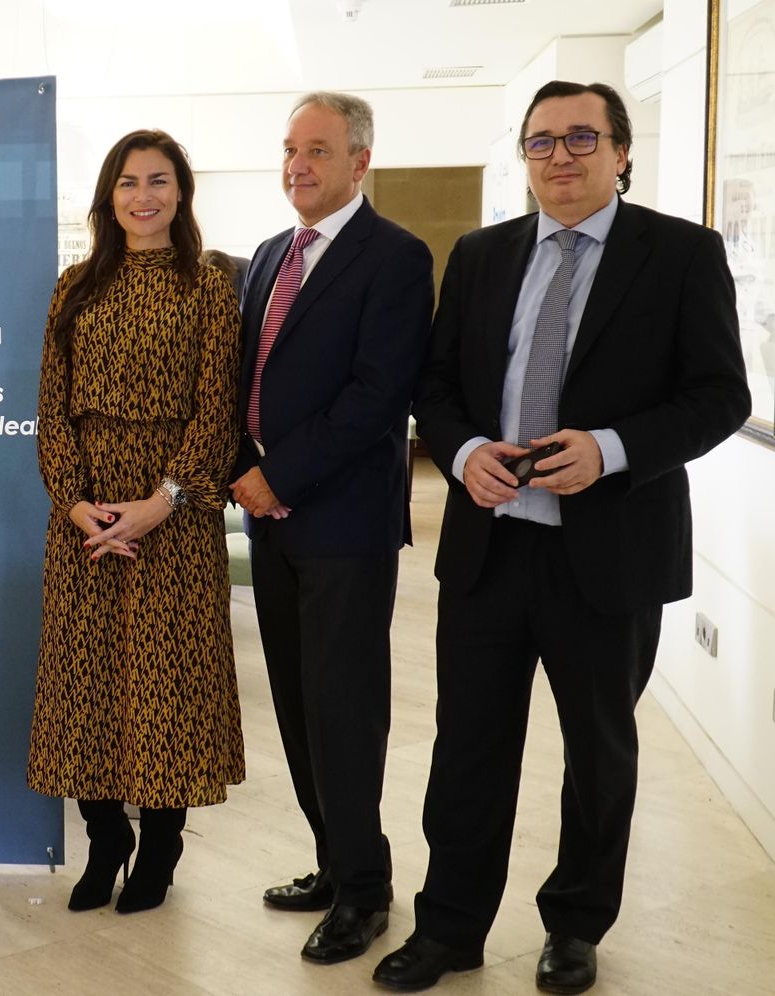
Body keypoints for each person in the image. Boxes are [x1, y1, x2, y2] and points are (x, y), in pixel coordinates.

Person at [374, 82, 751, 993]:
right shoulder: (480, 254)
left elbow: (720, 395)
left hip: (608, 554)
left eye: (583, 137)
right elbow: (434, 383)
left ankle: (576, 923)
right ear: (525, 157)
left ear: (621, 151)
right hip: (490, 548)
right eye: (541, 141)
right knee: (466, 749)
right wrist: (462, 451)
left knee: (597, 755)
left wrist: (612, 449)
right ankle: (451, 927)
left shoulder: (681, 254)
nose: (561, 156)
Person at [227, 91, 434, 966]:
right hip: (272, 523)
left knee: (344, 712)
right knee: (298, 708)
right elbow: (245, 380)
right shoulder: (273, 253)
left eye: (316, 150)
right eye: (288, 149)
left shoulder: (396, 257)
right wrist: (245, 470)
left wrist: (279, 474)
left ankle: (365, 891)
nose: (297, 165)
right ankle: (332, 860)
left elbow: (377, 396)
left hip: (343, 525)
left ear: (360, 161)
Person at [26, 129, 245, 915]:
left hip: (174, 515)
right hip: (84, 516)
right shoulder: (74, 286)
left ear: (181, 192)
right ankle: (103, 838)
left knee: (166, 687)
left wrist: (160, 503)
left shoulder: (211, 286)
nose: (142, 195)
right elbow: (50, 411)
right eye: (127, 181)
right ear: (107, 196)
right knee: (86, 682)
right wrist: (77, 502)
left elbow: (217, 412)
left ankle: (158, 845)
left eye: (158, 180)